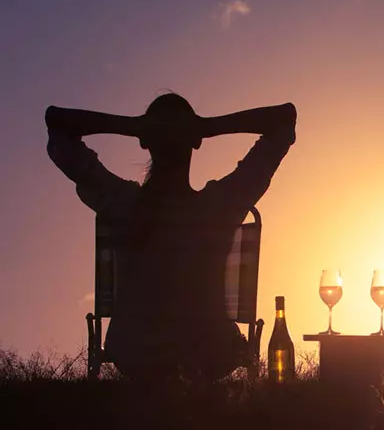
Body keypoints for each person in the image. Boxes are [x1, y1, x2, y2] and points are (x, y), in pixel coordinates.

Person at [46, 93, 296, 381]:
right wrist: (205, 127)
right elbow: (283, 121)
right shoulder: (220, 205)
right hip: (209, 355)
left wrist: (137, 127)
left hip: (136, 354)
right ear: (196, 142)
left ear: (145, 142)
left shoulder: (120, 203)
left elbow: (57, 126)